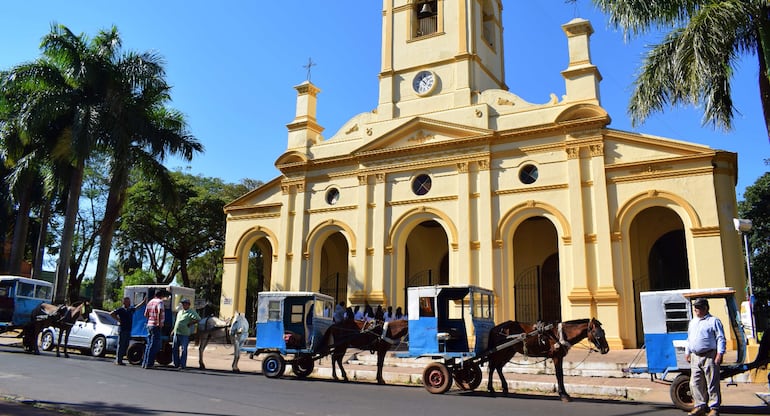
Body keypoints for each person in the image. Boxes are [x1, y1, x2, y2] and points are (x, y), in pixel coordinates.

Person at [685, 298, 726, 416]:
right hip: (695, 356)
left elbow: (720, 338)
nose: (696, 309)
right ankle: (700, 405)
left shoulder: (713, 321)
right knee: (695, 383)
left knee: (712, 382)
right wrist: (687, 352)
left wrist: (720, 353)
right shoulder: (693, 322)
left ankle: (714, 407)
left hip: (709, 355)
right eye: (695, 307)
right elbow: (689, 338)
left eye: (698, 307)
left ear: (705, 308)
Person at [110, 295, 146, 365]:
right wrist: (118, 320)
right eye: (127, 301)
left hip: (128, 329)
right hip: (122, 329)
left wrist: (143, 302)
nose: (129, 303)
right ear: (124, 302)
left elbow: (137, 308)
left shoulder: (130, 310)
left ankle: (121, 359)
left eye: (129, 301)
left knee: (126, 345)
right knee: (121, 344)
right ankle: (118, 360)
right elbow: (111, 313)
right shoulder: (121, 309)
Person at [142, 289, 170, 369]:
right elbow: (159, 311)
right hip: (155, 325)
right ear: (161, 296)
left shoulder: (150, 302)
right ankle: (149, 363)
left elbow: (145, 314)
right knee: (154, 345)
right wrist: (159, 322)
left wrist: (150, 319)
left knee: (149, 344)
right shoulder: (160, 302)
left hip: (149, 324)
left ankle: (144, 362)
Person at [171, 298, 200, 370]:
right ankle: (176, 363)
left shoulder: (191, 312)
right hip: (176, 332)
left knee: (184, 349)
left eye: (185, 304)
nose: (184, 305)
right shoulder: (180, 312)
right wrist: (173, 331)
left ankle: (182, 364)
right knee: (175, 348)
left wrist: (190, 323)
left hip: (184, 333)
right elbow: (177, 322)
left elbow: (198, 319)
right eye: (183, 304)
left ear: (188, 305)